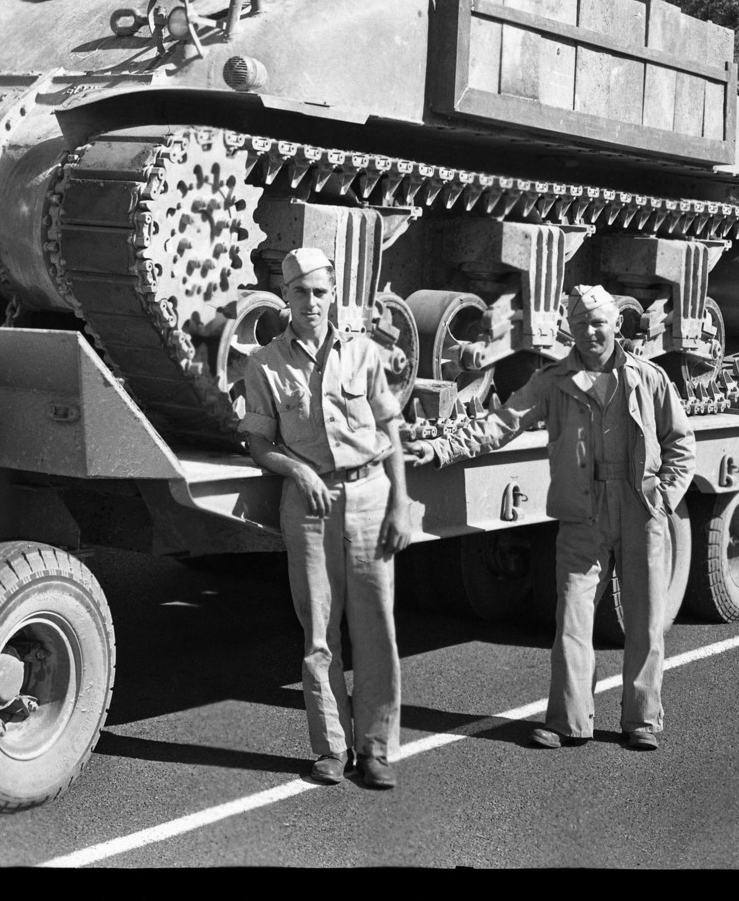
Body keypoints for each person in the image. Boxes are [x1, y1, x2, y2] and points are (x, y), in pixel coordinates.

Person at [415, 284, 694, 751]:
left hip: (638, 508)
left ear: (617, 325)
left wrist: (664, 497)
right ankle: (568, 721)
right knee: (571, 618)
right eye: (580, 324)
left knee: (644, 621)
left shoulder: (649, 379)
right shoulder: (552, 381)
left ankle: (642, 720)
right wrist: (442, 447)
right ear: (570, 329)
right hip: (581, 511)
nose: (590, 332)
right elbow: (502, 423)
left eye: (598, 322)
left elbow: (681, 444)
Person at [239, 248, 417, 789]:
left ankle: (377, 748)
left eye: (320, 292)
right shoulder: (265, 363)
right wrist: (295, 470)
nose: (311, 302)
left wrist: (400, 504)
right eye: (300, 292)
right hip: (311, 505)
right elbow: (256, 439)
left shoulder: (365, 353)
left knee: (376, 632)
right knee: (319, 634)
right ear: (285, 296)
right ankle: (332, 749)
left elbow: (391, 433)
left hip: (369, 496)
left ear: (332, 294)